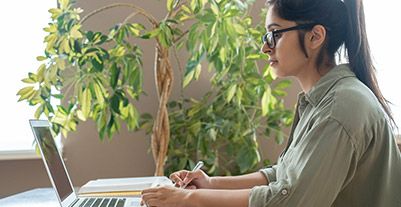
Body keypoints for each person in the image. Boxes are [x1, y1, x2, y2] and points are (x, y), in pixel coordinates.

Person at [141, 0, 401, 206]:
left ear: (315, 36)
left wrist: (188, 199)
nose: (266, 48)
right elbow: (282, 176)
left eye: (274, 35)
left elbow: (291, 201)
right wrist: (211, 184)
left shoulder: (340, 108)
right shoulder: (325, 99)